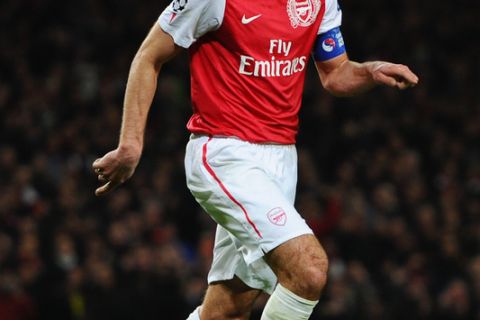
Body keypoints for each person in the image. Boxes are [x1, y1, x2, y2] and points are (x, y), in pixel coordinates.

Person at [92, 0, 419, 319]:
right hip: (224, 153)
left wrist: (371, 71)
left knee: (230, 307)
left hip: (281, 161)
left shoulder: (320, 2)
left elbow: (337, 74)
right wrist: (131, 144)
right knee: (309, 270)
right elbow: (149, 56)